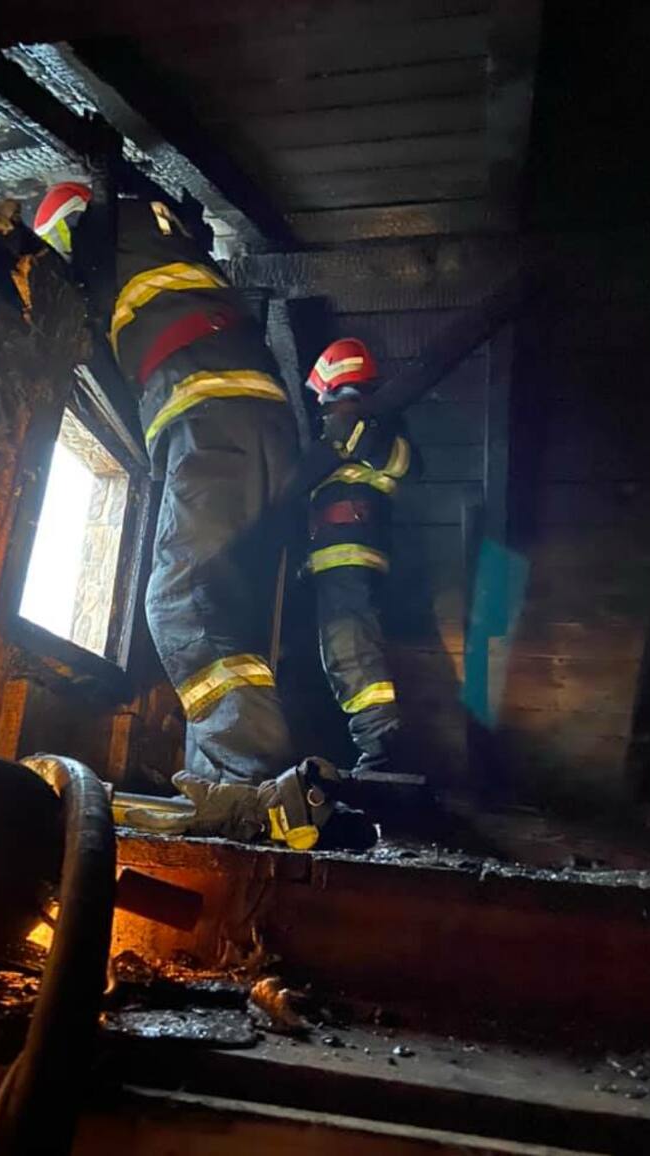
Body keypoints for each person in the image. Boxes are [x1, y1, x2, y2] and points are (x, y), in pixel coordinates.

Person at [33, 183, 375, 849]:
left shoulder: (102, 238)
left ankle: (251, 791)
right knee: (216, 610)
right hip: (260, 426)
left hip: (207, 415)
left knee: (179, 602)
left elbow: (65, 292)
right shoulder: (165, 241)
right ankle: (244, 781)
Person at [306, 338, 415, 777]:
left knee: (349, 648)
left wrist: (353, 428)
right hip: (338, 559)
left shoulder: (373, 426)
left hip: (347, 557)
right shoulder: (345, 432)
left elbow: (405, 463)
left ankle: (381, 748)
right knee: (344, 649)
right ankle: (375, 745)